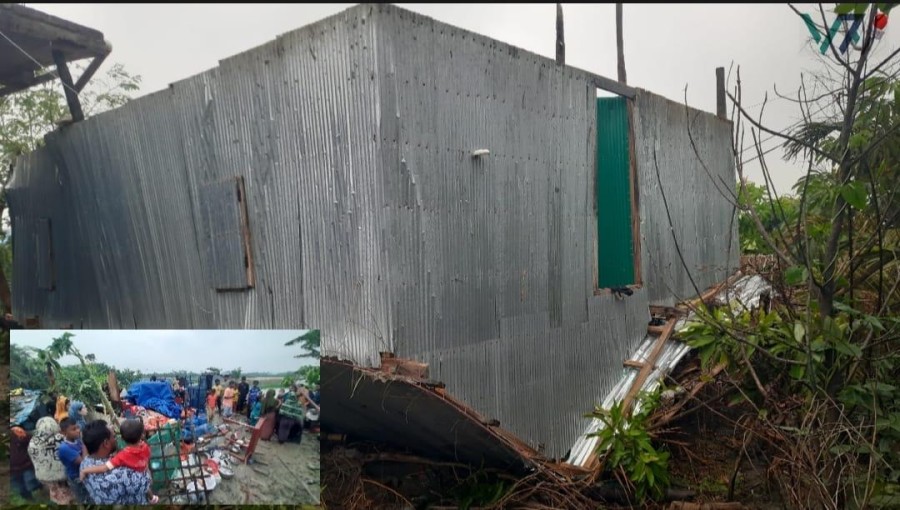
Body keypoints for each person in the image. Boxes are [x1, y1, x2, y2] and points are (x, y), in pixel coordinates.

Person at [80, 418, 159, 503]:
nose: (116, 439)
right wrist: (145, 465)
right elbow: (148, 482)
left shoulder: (84, 463)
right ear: (106, 443)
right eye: (113, 436)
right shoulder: (124, 474)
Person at [27, 417, 76, 504]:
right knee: (67, 490)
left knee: (54, 490)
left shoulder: (33, 441)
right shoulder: (60, 438)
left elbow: (33, 456)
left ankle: (59, 501)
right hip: (62, 473)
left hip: (45, 475)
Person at [57, 417, 90, 503]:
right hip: (76, 478)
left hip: (83, 474)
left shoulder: (76, 440)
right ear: (64, 433)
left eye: (78, 427)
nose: (78, 430)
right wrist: (83, 443)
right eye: (73, 429)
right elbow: (84, 462)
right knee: (84, 499)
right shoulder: (65, 448)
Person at [11, 427, 41, 500]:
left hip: (25, 465)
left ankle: (40, 490)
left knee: (33, 481)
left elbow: (31, 440)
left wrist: (23, 436)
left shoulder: (15, 432)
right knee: (20, 487)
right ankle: (29, 498)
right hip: (12, 470)